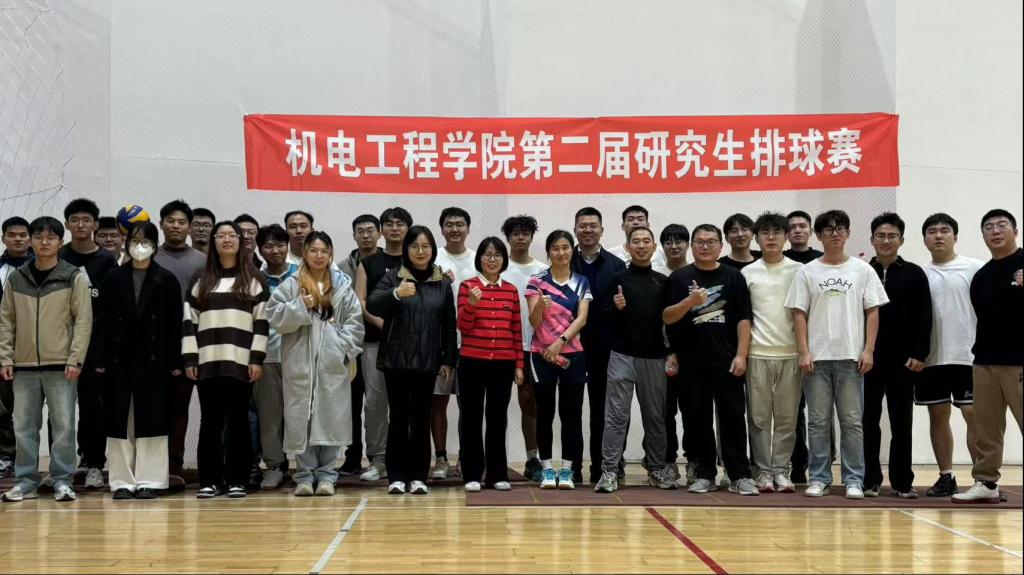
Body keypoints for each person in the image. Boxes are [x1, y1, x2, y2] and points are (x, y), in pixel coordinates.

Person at [785, 210, 888, 499]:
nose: (835, 233)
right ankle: (819, 478)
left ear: (848, 233)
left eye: (840, 228)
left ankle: (854, 479)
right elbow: (798, 314)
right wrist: (804, 351)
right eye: (828, 229)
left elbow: (872, 311)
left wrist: (868, 349)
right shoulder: (807, 271)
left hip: (851, 358)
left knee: (852, 422)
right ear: (818, 235)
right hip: (816, 359)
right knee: (818, 422)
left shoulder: (862, 270)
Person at [0, 217, 92, 503]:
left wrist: (76, 359)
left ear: (60, 243)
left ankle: (63, 480)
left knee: (63, 427)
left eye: (51, 238)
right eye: (38, 237)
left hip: (62, 366)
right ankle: (26, 481)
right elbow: (6, 321)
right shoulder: (16, 278)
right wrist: (5, 358)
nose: (44, 242)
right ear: (31, 241)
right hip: (23, 366)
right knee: (23, 428)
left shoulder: (73, 276)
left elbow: (83, 321)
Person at [664, 224, 758, 496]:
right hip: (691, 363)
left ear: (720, 246)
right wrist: (689, 302)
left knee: (733, 418)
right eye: (700, 242)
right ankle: (705, 474)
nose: (705, 246)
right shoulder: (679, 278)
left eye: (711, 241)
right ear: (692, 246)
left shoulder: (733, 277)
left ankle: (739, 474)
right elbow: (667, 317)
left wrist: (741, 355)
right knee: (697, 420)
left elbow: (743, 319)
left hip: (727, 361)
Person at [268, 231, 364, 497]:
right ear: (305, 253)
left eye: (324, 251)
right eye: (313, 251)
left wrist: (342, 346)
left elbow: (355, 323)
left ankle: (327, 476)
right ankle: (304, 476)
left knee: (331, 419)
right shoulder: (292, 285)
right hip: (300, 365)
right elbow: (275, 317)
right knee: (303, 420)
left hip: (332, 365)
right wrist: (300, 306)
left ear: (330, 254)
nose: (319, 256)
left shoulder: (342, 286)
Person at [94, 222, 182, 500]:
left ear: (155, 245)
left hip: (154, 361)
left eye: (146, 241)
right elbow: (102, 322)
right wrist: (99, 358)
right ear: (127, 242)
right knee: (120, 421)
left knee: (153, 421)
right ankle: (121, 481)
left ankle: (150, 481)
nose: (140, 246)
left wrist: (175, 361)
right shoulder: (113, 278)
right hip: (118, 359)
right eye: (135, 240)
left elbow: (174, 325)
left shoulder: (166, 279)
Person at [183, 221, 269, 499]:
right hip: (207, 363)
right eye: (221, 235)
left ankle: (237, 480)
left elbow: (262, 323)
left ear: (241, 241)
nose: (227, 239)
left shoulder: (253, 279)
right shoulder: (201, 278)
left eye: (232, 235)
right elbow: (189, 322)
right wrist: (190, 359)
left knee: (238, 422)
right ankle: (210, 480)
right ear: (214, 242)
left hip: (241, 363)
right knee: (210, 422)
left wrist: (256, 359)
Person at [368, 225, 456, 496]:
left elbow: (449, 324)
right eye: (415, 246)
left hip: (428, 361)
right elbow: (373, 304)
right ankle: (396, 476)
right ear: (406, 250)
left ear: (432, 250)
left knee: (420, 418)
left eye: (426, 246)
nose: (421, 251)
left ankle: (418, 476)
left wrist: (448, 359)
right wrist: (396, 294)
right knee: (398, 417)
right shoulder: (394, 277)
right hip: (396, 360)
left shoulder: (442, 283)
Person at [596, 227, 675, 493]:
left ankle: (657, 469)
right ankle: (610, 471)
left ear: (653, 247)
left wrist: (672, 352)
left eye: (646, 241)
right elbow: (601, 317)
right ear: (628, 247)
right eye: (636, 242)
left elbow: (671, 321)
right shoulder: (616, 279)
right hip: (621, 355)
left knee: (655, 416)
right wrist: (615, 307)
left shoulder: (663, 282)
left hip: (654, 357)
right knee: (616, 416)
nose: (641, 246)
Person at [954, 209, 1023, 503]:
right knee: (986, 428)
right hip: (984, 362)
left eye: (1001, 225)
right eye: (989, 227)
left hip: (1019, 362)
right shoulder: (981, 276)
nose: (995, 231)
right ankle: (986, 483)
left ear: (1015, 231)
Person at [864, 213, 931, 499]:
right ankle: (869, 479)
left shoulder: (914, 273)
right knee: (868, 421)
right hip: (868, 360)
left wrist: (919, 353)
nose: (886, 240)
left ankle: (903, 481)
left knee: (901, 422)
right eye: (881, 235)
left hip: (904, 361)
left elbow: (925, 315)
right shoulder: (862, 271)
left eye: (892, 236)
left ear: (901, 240)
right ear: (872, 240)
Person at [919, 213, 984, 497]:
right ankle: (946, 476)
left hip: (968, 355)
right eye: (932, 231)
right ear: (924, 239)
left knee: (973, 415)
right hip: (931, 358)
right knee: (938, 415)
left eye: (944, 230)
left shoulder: (975, 268)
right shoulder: (920, 273)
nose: (938, 235)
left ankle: (983, 479)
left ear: (955, 236)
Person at [741, 212, 803, 494]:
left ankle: (781, 470)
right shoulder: (748, 273)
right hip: (757, 354)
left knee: (788, 417)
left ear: (786, 236)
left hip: (791, 354)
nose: (771, 237)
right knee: (759, 417)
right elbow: (744, 317)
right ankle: (763, 471)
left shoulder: (799, 271)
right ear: (756, 238)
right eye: (765, 233)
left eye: (777, 232)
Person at [457, 237, 524, 492]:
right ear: (480, 259)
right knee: (471, 419)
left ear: (504, 260)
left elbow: (516, 329)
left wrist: (519, 365)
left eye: (497, 255)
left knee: (497, 419)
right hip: (472, 362)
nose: (492, 259)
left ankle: (497, 474)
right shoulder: (468, 287)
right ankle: (472, 473)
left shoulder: (511, 290)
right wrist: (471, 305)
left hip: (503, 364)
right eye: (487, 254)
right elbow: (463, 326)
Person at [60, 198, 117, 490]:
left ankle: (94, 463)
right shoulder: (59, 256)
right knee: (61, 409)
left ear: (95, 224)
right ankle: (61, 467)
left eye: (86, 220)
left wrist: (104, 351)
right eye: (75, 219)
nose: (81, 224)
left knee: (93, 408)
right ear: (67, 224)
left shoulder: (106, 261)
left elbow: (109, 310)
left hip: (95, 348)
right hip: (61, 346)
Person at [526, 230, 591, 490]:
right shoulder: (536, 281)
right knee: (545, 413)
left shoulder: (581, 281)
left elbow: (582, 319)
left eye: (565, 247)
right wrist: (540, 306)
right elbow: (533, 322)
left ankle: (567, 470)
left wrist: (560, 343)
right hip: (541, 356)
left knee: (571, 415)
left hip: (572, 355)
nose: (561, 253)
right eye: (555, 248)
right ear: (549, 252)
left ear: (572, 251)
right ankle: (546, 468)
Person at [153, 199, 208, 488]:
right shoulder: (148, 257)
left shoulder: (202, 261)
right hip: (155, 348)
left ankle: (176, 466)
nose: (176, 226)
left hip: (195, 346)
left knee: (180, 409)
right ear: (161, 224)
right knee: (155, 409)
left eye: (181, 222)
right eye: (170, 221)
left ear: (189, 227)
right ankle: (152, 467)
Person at [354, 207, 411, 482]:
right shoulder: (368, 263)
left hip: (410, 345)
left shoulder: (416, 259)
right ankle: (377, 459)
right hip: (375, 342)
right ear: (381, 231)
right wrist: (381, 323)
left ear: (408, 228)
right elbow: (360, 301)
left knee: (407, 403)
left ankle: (407, 457)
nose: (394, 228)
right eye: (389, 223)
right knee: (375, 402)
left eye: (400, 223)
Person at [571, 207, 626, 484]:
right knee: (571, 408)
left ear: (602, 231)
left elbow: (623, 308)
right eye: (583, 225)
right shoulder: (564, 261)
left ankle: (603, 467)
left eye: (593, 225)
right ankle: (572, 467)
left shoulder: (616, 265)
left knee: (603, 409)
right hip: (570, 344)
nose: (588, 230)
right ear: (575, 230)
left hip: (605, 346)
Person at [430, 207, 476, 479]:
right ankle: (440, 458)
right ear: (442, 229)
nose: (455, 229)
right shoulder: (432, 257)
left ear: (468, 229)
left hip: (472, 340)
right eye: (449, 224)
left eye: (460, 224)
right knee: (438, 401)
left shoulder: (477, 259)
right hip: (439, 341)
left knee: (468, 404)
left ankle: (466, 457)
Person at [499, 215, 547, 481]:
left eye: (525, 233)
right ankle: (492, 458)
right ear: (508, 238)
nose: (520, 238)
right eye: (515, 233)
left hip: (533, 345)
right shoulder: (497, 268)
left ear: (531, 237)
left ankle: (532, 458)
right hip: (500, 345)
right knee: (495, 403)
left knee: (530, 402)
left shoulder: (542, 270)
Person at [254, 224, 299, 490]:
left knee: (302, 413)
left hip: (299, 354)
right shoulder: (256, 279)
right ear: (260, 250)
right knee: (270, 415)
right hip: (268, 355)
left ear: (288, 246)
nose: (275, 250)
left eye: (280, 245)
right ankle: (274, 466)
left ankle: (305, 465)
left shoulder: (302, 273)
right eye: (268, 246)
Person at [337, 214, 382, 475]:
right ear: (354, 235)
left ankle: (378, 457)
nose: (365, 235)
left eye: (370, 230)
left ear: (379, 234)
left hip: (379, 343)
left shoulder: (389, 264)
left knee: (376, 404)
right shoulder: (340, 268)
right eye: (360, 231)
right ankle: (352, 456)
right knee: (351, 403)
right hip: (348, 346)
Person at [785, 209, 825, 483]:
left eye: (802, 226)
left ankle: (824, 465)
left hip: (823, 345)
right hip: (791, 346)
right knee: (794, 411)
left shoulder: (822, 260)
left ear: (811, 231)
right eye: (792, 227)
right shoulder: (782, 261)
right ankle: (797, 465)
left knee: (823, 412)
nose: (798, 230)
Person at [656, 223, 691, 484]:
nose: (674, 246)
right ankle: (667, 461)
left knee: (692, 410)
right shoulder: (656, 275)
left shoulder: (696, 273)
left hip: (692, 354)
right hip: (660, 354)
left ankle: (694, 461)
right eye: (668, 241)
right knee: (664, 412)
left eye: (679, 241)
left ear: (687, 244)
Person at [0, 216, 32, 477]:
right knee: (2, 406)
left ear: (30, 238)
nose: (18, 239)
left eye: (23, 235)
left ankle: (30, 459)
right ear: (3, 239)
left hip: (35, 347)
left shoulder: (43, 267)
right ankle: (5, 456)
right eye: (12, 235)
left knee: (30, 410)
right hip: (3, 347)